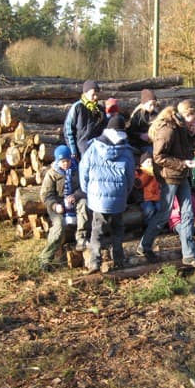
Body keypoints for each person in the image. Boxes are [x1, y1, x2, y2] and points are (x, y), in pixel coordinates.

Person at [136, 101, 195, 269]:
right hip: (169, 177)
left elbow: (184, 147)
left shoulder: (181, 126)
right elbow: (158, 157)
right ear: (186, 115)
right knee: (164, 214)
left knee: (187, 213)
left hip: (182, 175)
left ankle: (188, 255)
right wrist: (182, 163)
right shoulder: (168, 129)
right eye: (193, 120)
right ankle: (144, 246)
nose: (194, 123)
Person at [79, 115, 135, 272]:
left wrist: (87, 191)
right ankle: (118, 260)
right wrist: (125, 193)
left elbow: (84, 172)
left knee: (97, 231)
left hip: (98, 199)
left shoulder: (93, 148)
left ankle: (95, 261)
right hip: (119, 198)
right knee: (118, 228)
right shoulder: (126, 150)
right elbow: (130, 177)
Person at [39, 145, 88, 271]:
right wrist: (55, 206)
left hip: (74, 201)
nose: (65, 164)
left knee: (84, 204)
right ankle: (46, 257)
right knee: (59, 226)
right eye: (62, 161)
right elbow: (46, 195)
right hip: (57, 205)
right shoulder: (52, 174)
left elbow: (84, 186)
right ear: (57, 161)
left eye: (67, 160)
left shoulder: (78, 169)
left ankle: (81, 238)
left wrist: (76, 195)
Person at [63, 79, 107, 160]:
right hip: (81, 152)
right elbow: (68, 130)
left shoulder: (100, 110)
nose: (96, 97)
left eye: (97, 94)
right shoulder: (77, 107)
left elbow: (105, 130)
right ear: (85, 93)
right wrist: (73, 151)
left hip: (97, 151)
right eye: (93, 94)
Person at [127, 88, 158, 154]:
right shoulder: (137, 116)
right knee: (151, 152)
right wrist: (140, 135)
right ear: (144, 103)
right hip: (141, 144)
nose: (152, 107)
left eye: (154, 105)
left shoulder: (156, 114)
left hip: (154, 142)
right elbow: (130, 132)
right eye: (150, 105)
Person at [134, 151, 161, 226]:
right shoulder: (139, 172)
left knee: (160, 208)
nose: (150, 164)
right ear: (142, 164)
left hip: (156, 197)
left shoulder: (155, 172)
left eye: (151, 162)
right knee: (149, 210)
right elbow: (138, 184)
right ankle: (149, 226)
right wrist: (147, 174)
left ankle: (158, 226)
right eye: (148, 162)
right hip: (144, 198)